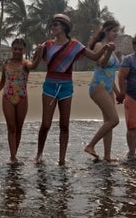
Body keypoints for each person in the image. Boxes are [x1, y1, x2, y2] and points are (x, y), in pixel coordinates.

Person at [33, 13, 115, 166]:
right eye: (52, 24)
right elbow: (35, 64)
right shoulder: (47, 45)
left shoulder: (75, 45)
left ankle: (62, 159)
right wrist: (37, 53)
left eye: (56, 24)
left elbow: (96, 57)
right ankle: (39, 154)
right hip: (50, 85)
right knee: (46, 124)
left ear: (64, 26)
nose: (53, 26)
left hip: (66, 86)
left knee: (65, 125)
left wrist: (106, 48)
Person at [0, 38, 37, 163]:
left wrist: (39, 53)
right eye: (15, 49)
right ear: (12, 49)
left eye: (20, 49)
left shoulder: (26, 63)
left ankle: (14, 153)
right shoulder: (6, 64)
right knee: (11, 127)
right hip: (8, 97)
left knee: (19, 127)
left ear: (24, 50)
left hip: (22, 97)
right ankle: (12, 156)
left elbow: (34, 66)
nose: (17, 51)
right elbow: (2, 82)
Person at [84, 20, 122, 162]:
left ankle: (107, 156)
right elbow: (102, 63)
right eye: (114, 31)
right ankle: (90, 145)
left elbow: (110, 73)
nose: (116, 34)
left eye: (117, 31)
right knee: (114, 120)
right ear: (106, 30)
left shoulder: (112, 48)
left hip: (108, 87)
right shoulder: (100, 45)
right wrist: (108, 51)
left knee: (108, 123)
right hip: (98, 86)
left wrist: (117, 92)